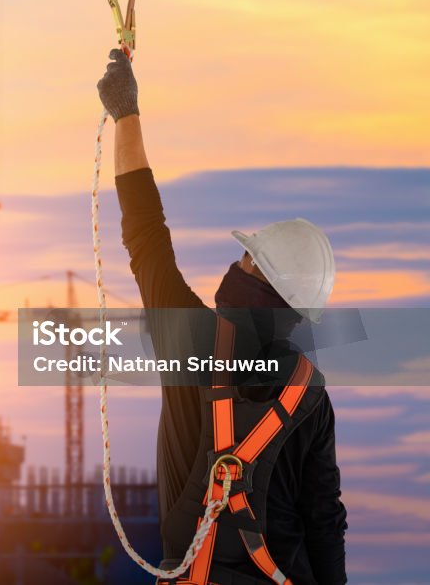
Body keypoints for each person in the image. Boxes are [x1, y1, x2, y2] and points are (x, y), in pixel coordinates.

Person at [96, 49, 347, 585]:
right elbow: (324, 519)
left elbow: (145, 233)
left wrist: (126, 113)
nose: (234, 263)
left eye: (245, 256)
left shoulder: (192, 337)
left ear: (255, 274)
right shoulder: (310, 391)